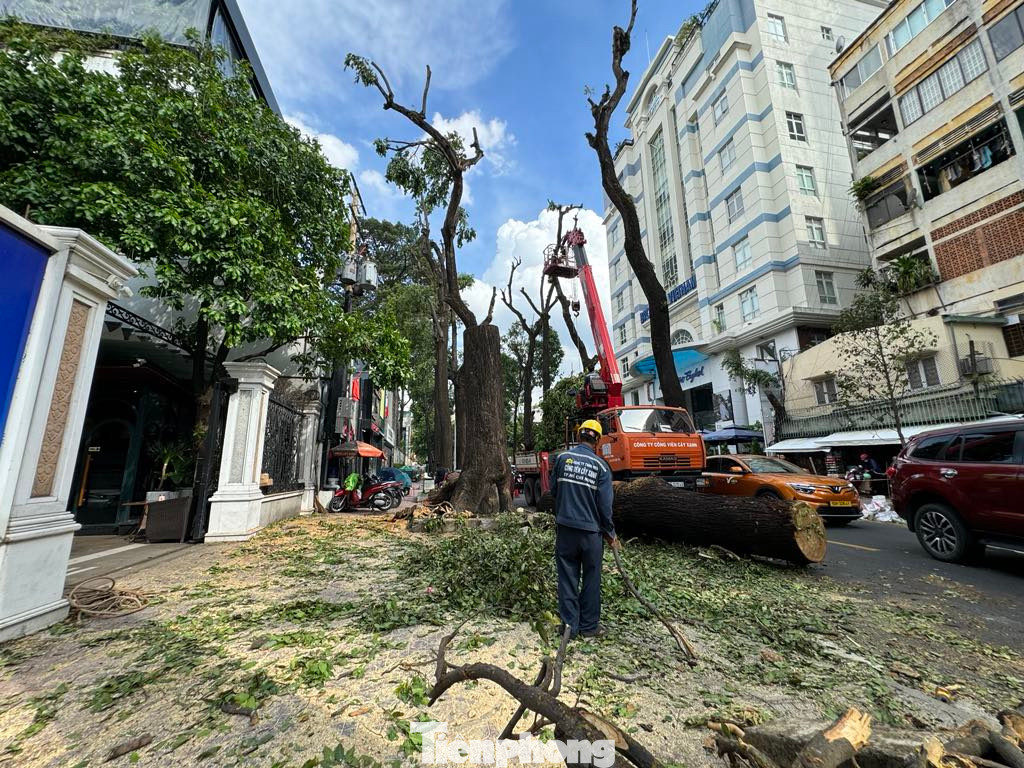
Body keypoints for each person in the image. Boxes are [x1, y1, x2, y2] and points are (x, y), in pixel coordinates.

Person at [549, 419, 618, 639]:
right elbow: (605, 507)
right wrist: (610, 534)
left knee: (567, 577)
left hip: (566, 529)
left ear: (579, 436)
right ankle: (589, 628)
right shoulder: (601, 467)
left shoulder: (561, 459)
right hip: (591, 534)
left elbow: (554, 491)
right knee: (591, 578)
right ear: (597, 440)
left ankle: (569, 627)